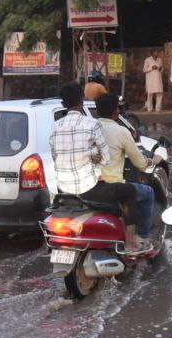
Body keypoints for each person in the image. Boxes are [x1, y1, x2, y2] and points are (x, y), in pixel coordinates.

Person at [49, 82, 145, 251]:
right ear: (82, 102)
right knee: (129, 191)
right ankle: (130, 242)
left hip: (62, 189)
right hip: (89, 188)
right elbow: (105, 159)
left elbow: (55, 157)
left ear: (63, 104)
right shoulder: (92, 125)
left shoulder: (55, 127)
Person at [95, 92, 163, 249]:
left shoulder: (88, 128)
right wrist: (154, 160)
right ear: (116, 112)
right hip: (112, 186)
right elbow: (140, 163)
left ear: (97, 111)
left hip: (89, 187)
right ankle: (142, 237)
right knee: (148, 192)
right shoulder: (121, 131)